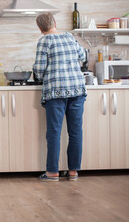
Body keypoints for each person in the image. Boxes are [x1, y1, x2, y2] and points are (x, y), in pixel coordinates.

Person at [33, 13, 86, 182]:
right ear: (55, 23)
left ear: (40, 29)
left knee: (54, 132)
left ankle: (52, 172)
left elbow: (40, 71)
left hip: (56, 91)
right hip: (77, 89)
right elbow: (83, 57)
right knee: (76, 132)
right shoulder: (69, 36)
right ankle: (73, 172)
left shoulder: (44, 41)